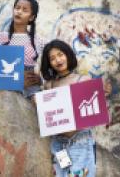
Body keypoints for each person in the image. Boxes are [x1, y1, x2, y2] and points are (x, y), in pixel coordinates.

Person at [39, 39, 111, 177]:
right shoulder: (49, 85)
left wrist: (103, 95)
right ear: (49, 63)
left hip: (80, 142)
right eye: (52, 58)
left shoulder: (83, 80)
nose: (58, 60)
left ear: (67, 55)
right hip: (58, 145)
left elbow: (92, 112)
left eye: (60, 54)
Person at [0, 0, 45, 98]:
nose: (19, 12)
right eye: (17, 8)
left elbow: (50, 66)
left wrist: (41, 80)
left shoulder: (39, 41)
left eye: (25, 10)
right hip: (6, 88)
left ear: (32, 17)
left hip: (31, 90)